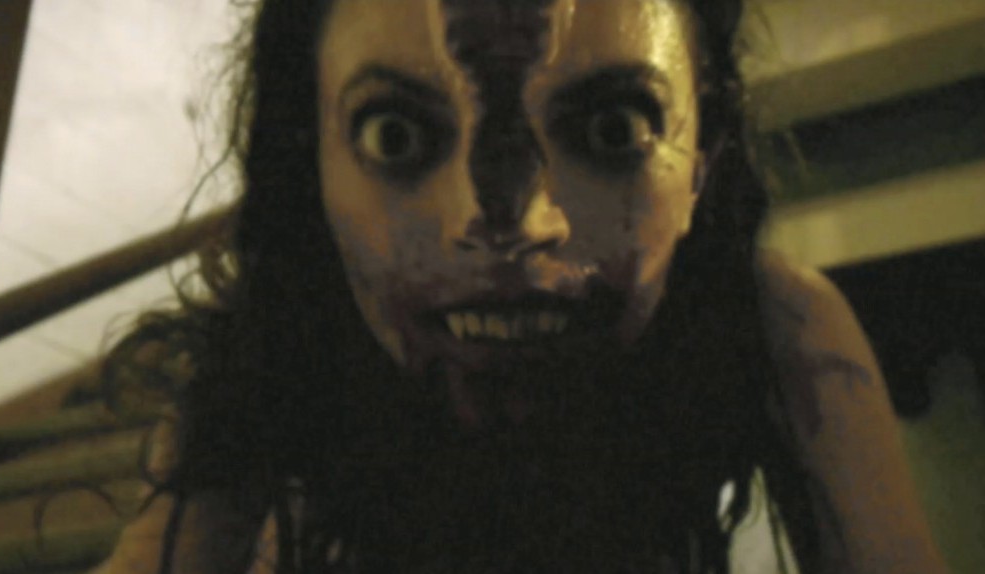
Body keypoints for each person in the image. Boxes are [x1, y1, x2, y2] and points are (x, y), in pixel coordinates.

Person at [93, 0, 947, 572]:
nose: (511, 223)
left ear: (703, 162)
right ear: (310, 165)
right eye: (395, 134)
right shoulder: (276, 342)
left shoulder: (773, 320)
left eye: (611, 128)